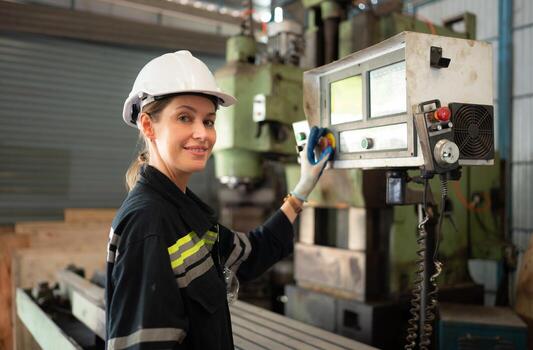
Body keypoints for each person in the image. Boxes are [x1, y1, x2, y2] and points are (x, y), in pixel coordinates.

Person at [105, 50, 332, 350]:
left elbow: (249, 255)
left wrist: (303, 186)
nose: (202, 133)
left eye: (209, 121)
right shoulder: (149, 223)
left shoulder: (183, 210)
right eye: (185, 117)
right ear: (148, 126)